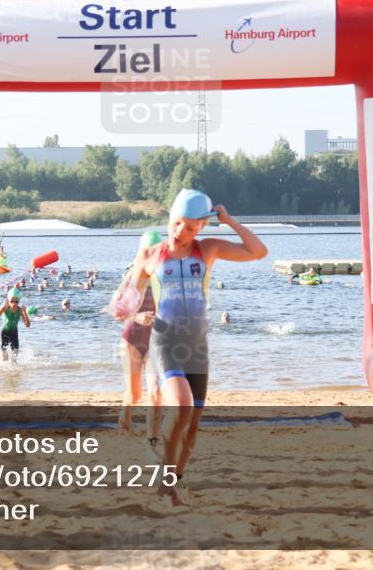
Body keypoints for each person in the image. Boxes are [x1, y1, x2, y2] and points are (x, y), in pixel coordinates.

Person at [113, 189, 268, 506]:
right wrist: (132, 312)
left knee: (192, 427)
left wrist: (229, 221)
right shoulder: (151, 256)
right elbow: (122, 302)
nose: (182, 232)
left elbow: (258, 251)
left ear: (201, 229)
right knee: (181, 406)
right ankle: (166, 482)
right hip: (165, 340)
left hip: (197, 346)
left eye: (191, 227)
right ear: (170, 219)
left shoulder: (208, 249)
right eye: (178, 223)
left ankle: (169, 481)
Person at [117, 230, 163, 436]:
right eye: (149, 250)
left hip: (156, 340)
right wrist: (137, 317)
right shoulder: (131, 275)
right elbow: (118, 310)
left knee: (156, 391)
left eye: (157, 250)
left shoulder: (165, 276)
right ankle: (125, 410)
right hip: (133, 338)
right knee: (135, 395)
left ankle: (152, 437)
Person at [0, 288, 30, 363]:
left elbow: (27, 325)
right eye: (11, 301)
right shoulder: (5, 308)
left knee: (15, 357)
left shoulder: (20, 310)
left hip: (14, 333)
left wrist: (25, 313)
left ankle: (14, 373)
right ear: (8, 301)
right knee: (5, 358)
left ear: (19, 301)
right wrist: (3, 306)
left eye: (16, 301)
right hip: (5, 332)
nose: (14, 303)